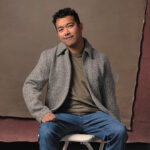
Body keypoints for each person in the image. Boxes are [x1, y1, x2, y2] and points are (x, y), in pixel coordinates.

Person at [23, 7, 128, 150]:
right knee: (46, 132)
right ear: (58, 34)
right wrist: (40, 112)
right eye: (60, 29)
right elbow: (30, 85)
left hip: (94, 116)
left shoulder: (101, 59)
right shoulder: (49, 56)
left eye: (70, 26)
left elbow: (109, 98)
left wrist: (114, 122)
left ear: (80, 27)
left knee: (119, 131)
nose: (66, 32)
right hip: (61, 116)